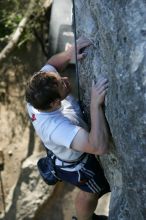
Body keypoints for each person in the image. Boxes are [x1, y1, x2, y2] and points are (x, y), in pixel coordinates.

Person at [25, 37, 111, 220]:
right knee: (92, 190)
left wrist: (68, 54)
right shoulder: (57, 128)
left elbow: (51, 64)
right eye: (62, 84)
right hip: (75, 162)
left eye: (59, 78)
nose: (65, 78)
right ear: (56, 103)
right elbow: (98, 147)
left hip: (60, 144)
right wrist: (95, 104)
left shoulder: (38, 92)